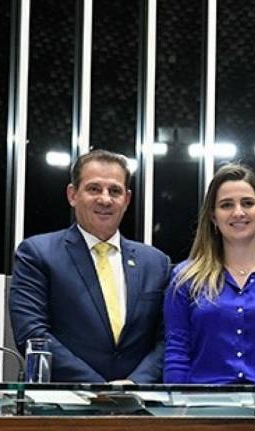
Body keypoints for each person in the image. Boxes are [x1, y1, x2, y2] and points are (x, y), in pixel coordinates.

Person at [10, 149, 171, 383]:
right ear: (72, 195)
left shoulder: (156, 263)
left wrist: (135, 384)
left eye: (114, 191)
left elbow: (169, 339)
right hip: (63, 403)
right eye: (94, 188)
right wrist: (100, 390)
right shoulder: (37, 254)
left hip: (139, 403)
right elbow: (32, 334)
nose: (105, 199)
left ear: (126, 200)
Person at [163, 164, 255, 384]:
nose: (238, 212)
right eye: (226, 205)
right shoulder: (186, 278)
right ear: (213, 217)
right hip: (202, 408)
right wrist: (178, 413)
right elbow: (177, 352)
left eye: (248, 203)